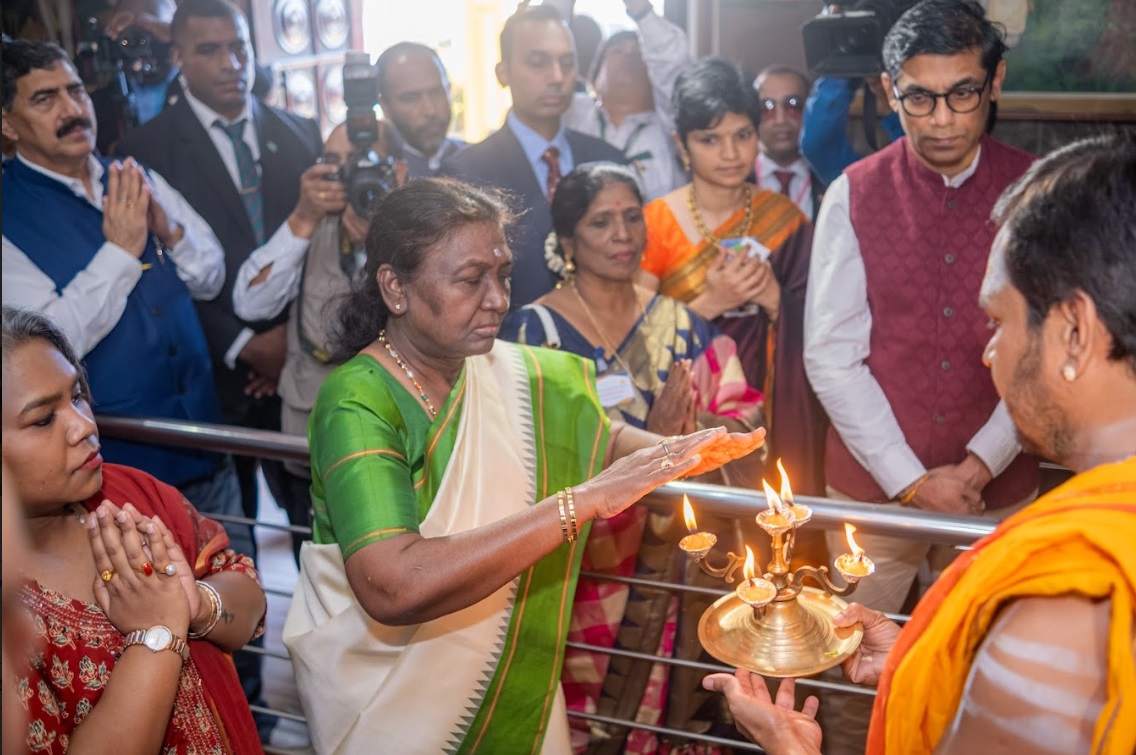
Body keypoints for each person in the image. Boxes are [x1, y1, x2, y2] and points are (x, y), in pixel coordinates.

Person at [281, 177, 766, 754]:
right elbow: (393, 585)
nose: (497, 299)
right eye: (470, 280)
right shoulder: (359, 401)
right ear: (395, 287)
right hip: (392, 702)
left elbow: (601, 439)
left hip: (511, 688)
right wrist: (584, 501)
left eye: (503, 274)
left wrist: (678, 448)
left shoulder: (510, 372)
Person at [704, 130, 1136, 755]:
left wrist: (793, 752)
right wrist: (915, 661)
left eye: (999, 321)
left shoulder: (1065, 602)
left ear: (1074, 332)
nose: (989, 354)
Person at [803, 3, 1040, 749]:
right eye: (919, 97)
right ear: (887, 88)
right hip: (870, 494)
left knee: (989, 673)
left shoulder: (1037, 193)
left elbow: (1041, 349)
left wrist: (978, 466)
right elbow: (830, 354)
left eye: (962, 93)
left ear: (995, 81)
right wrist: (914, 481)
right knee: (847, 674)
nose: (941, 118)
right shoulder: (853, 191)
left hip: (996, 491)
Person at [502, 163, 764, 751]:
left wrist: (693, 431)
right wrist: (650, 439)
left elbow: (744, 413)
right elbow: (525, 446)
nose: (622, 234)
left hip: (679, 556)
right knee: (583, 708)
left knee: (676, 708)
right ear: (568, 241)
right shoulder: (530, 336)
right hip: (582, 561)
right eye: (601, 222)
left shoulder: (683, 324)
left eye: (630, 218)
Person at [0, 38, 251, 550]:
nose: (72, 110)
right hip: (111, 479)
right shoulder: (8, 217)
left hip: (208, 447)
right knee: (153, 618)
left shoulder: (135, 175)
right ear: (7, 123)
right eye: (45, 99)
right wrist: (120, 250)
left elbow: (210, 277)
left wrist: (172, 232)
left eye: (75, 91)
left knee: (238, 602)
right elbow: (50, 337)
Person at [2, 306, 269, 754]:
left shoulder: (128, 494)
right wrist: (158, 631)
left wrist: (198, 606)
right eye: (44, 419)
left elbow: (249, 598)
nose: (85, 425)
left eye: (78, 395)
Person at [116, 0, 328, 543]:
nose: (231, 63)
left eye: (239, 47)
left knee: (317, 529)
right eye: (210, 51)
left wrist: (289, 341)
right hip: (213, 374)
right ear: (180, 57)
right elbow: (155, 273)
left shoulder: (301, 131)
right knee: (226, 542)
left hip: (297, 366)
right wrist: (242, 344)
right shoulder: (143, 149)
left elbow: (320, 253)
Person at [636, 56, 825, 495]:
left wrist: (777, 301)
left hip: (772, 424)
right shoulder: (655, 223)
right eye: (710, 139)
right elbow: (632, 344)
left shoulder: (785, 220)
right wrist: (710, 304)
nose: (730, 153)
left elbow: (827, 328)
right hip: (685, 429)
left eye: (742, 135)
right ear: (681, 144)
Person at [231, 118, 407, 562]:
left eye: (365, 163)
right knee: (319, 570)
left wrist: (389, 235)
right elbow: (249, 303)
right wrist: (305, 216)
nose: (351, 176)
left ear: (397, 170)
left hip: (402, 436)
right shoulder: (309, 224)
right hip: (313, 445)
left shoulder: (420, 230)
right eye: (335, 163)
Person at [440, 4, 626, 307]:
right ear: (503, 73)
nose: (556, 76)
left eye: (567, 63)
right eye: (538, 63)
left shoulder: (609, 162)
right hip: (510, 345)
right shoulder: (467, 173)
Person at [563, 0, 690, 201]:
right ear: (595, 79)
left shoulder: (669, 127)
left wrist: (641, 10)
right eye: (618, 51)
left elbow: (671, 61)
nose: (629, 56)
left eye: (639, 53)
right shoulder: (574, 114)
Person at [376, 42, 465, 177]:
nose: (430, 110)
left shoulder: (482, 162)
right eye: (411, 98)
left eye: (436, 93)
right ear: (385, 106)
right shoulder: (377, 174)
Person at [752, 65, 826, 221]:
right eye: (766, 108)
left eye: (793, 105)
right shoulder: (735, 181)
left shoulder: (830, 180)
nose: (780, 120)